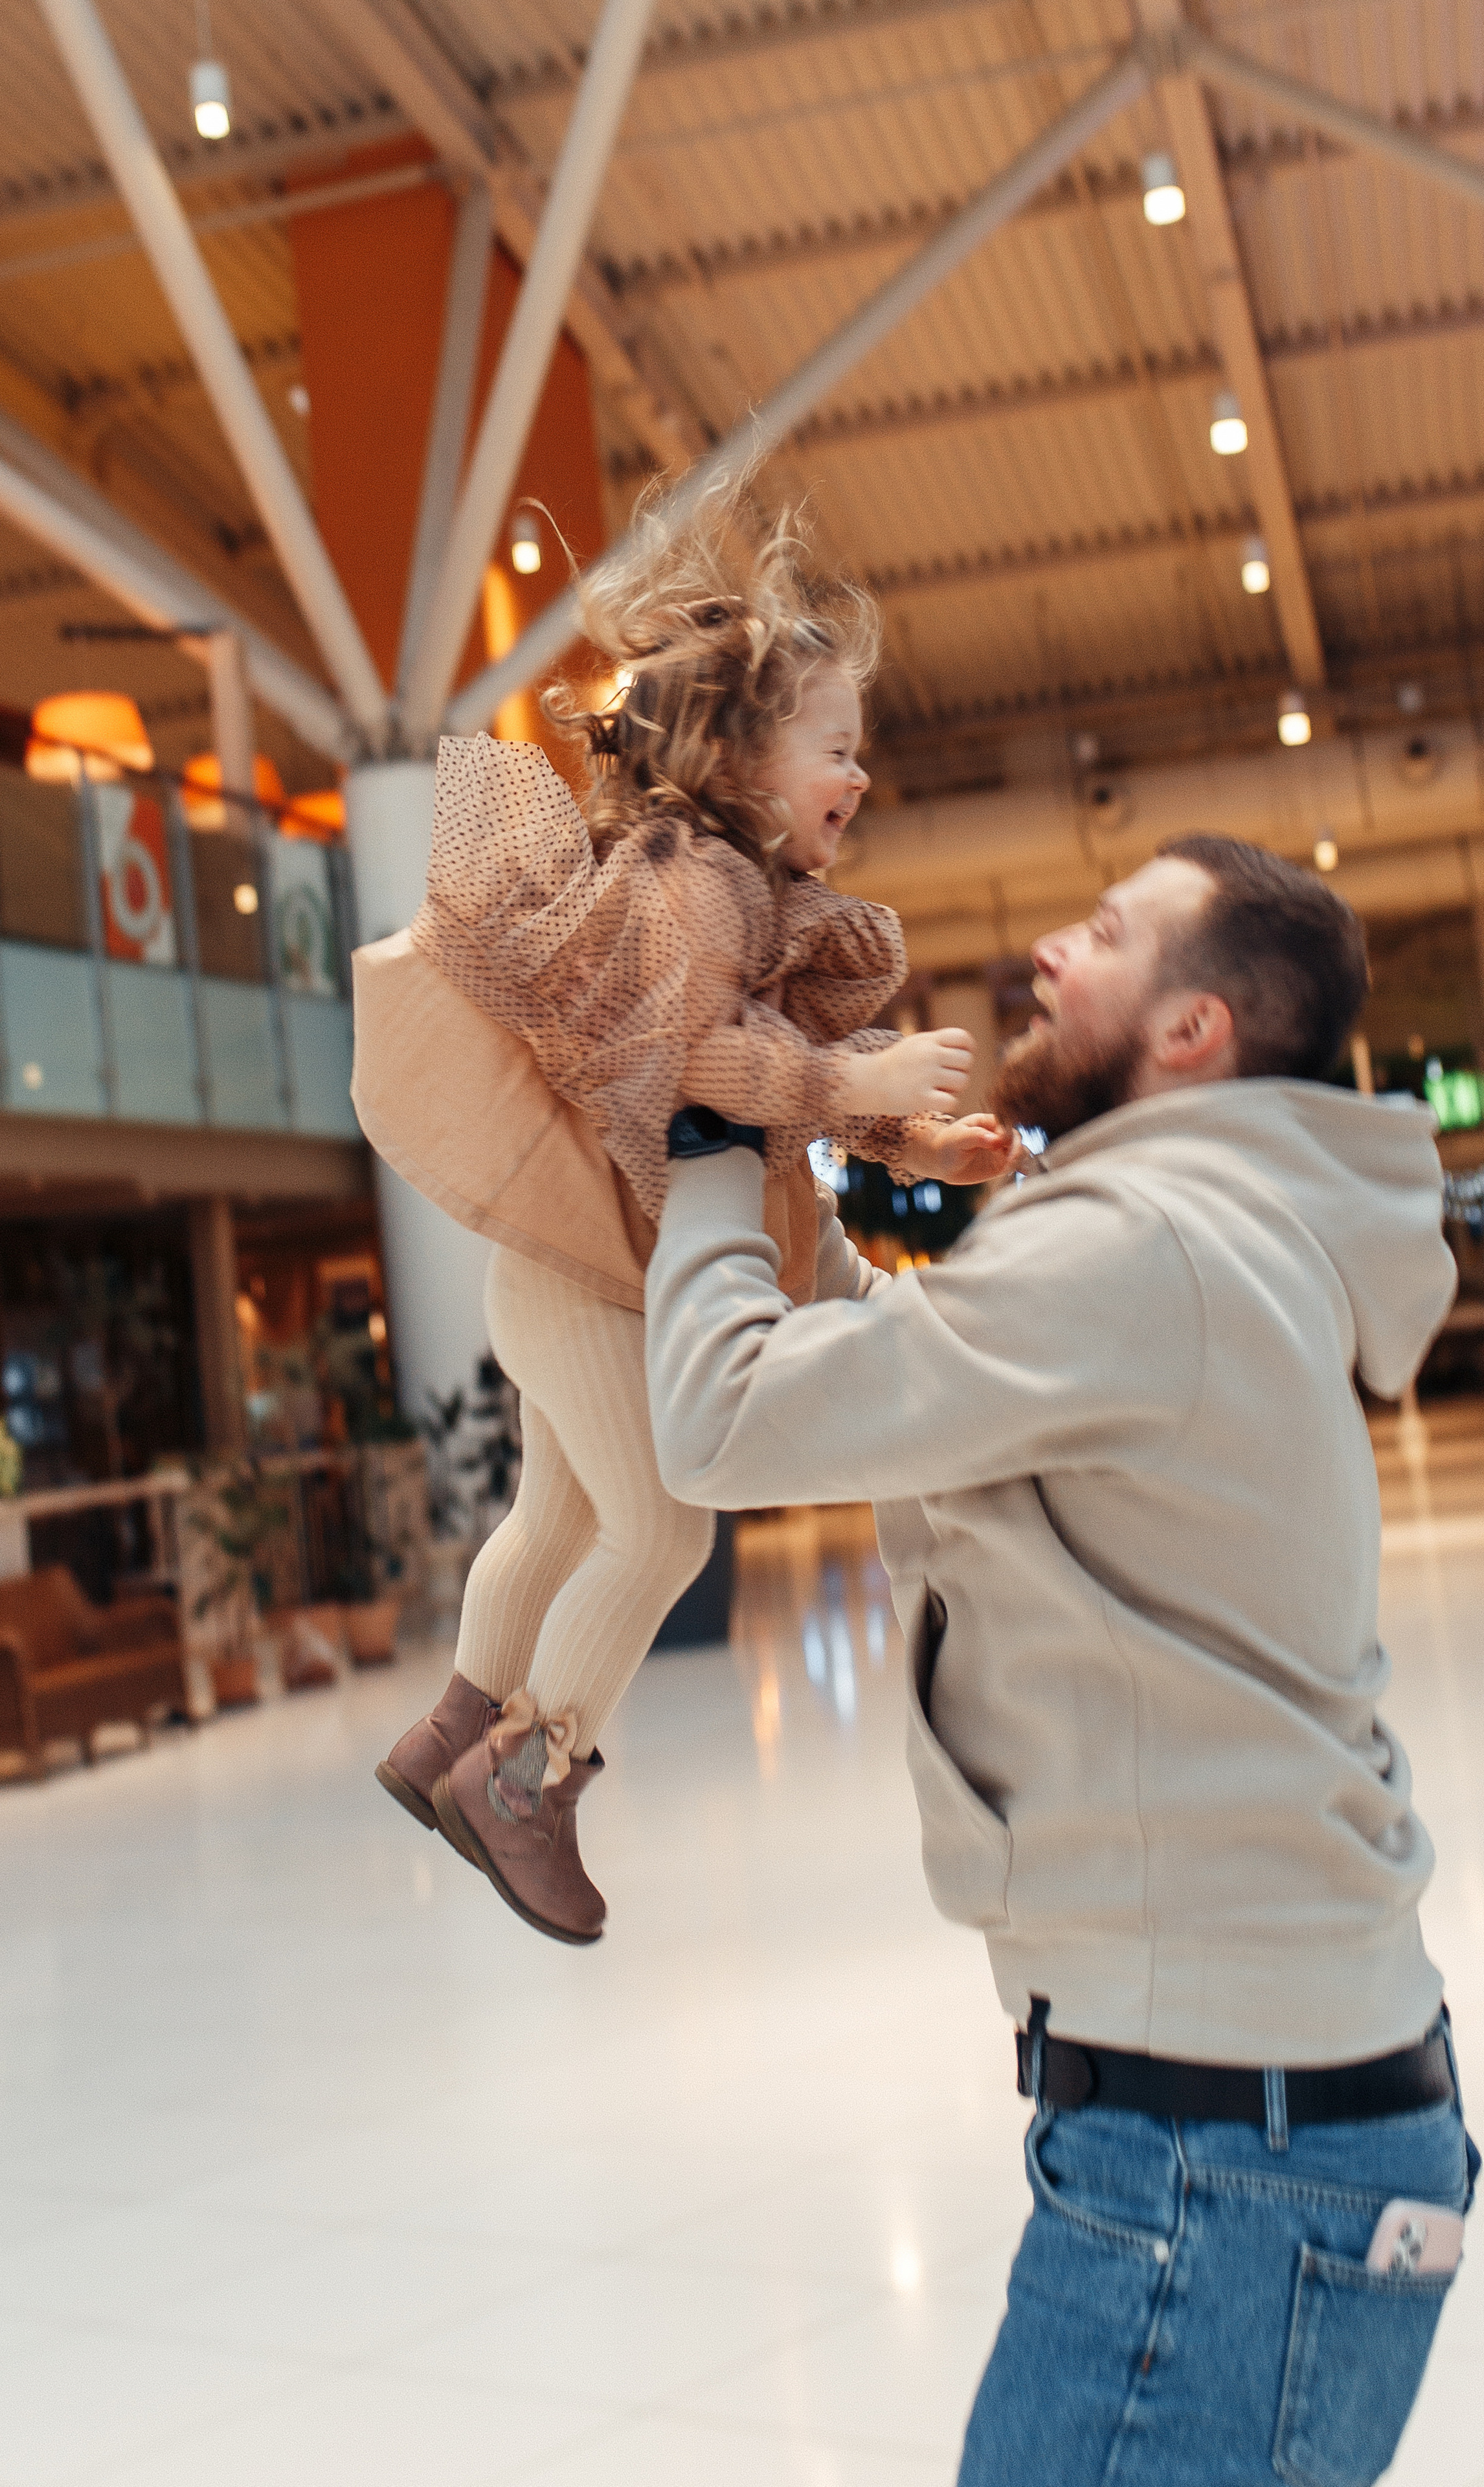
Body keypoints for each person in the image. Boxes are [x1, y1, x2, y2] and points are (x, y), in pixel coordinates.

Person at [642, 835, 1476, 2486]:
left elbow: (717, 1417)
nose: (1044, 952)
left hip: (1222, 2160)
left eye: (1104, 934)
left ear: (1194, 1033)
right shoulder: (1214, 1229)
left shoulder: (1136, 1250)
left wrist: (705, 1132)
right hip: (1258, 2118)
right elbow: (927, 1369)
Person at [362, 480, 1011, 1945]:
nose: (859, 774)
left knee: (559, 1517)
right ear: (739, 757)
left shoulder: (728, 887)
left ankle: (450, 1735)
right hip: (591, 1274)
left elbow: (751, 1102)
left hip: (579, 1265)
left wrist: (914, 1138)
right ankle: (522, 1784)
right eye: (835, 746)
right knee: (658, 1536)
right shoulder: (692, 885)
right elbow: (681, 1073)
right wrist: (862, 1090)